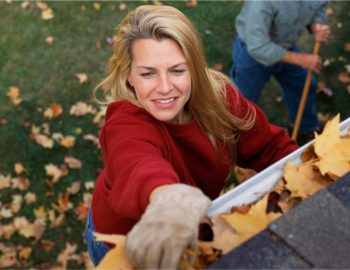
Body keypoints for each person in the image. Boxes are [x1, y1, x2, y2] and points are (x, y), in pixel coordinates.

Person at [84, 5, 298, 269]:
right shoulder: (125, 123)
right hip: (123, 243)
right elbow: (138, 164)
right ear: (129, 75)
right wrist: (171, 200)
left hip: (189, 232)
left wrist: (304, 175)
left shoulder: (220, 99)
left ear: (195, 69)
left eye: (177, 70)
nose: (164, 87)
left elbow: (270, 146)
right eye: (148, 73)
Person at [231, 1, 331, 141]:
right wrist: (300, 59)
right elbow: (257, 46)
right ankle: (235, 138)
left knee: (302, 86)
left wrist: (316, 24)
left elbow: (320, 6)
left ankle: (307, 127)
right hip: (252, 54)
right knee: (241, 101)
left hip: (286, 45)